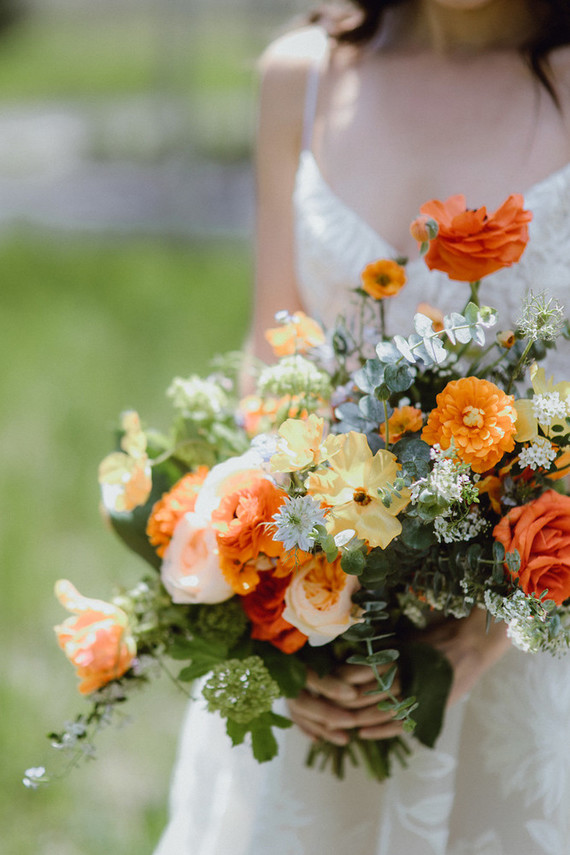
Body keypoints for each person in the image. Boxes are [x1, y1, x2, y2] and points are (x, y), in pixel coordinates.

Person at [154, 2, 570, 852]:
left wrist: (495, 621)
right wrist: (284, 614)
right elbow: (272, 355)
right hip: (336, 651)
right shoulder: (299, 79)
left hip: (536, 650)